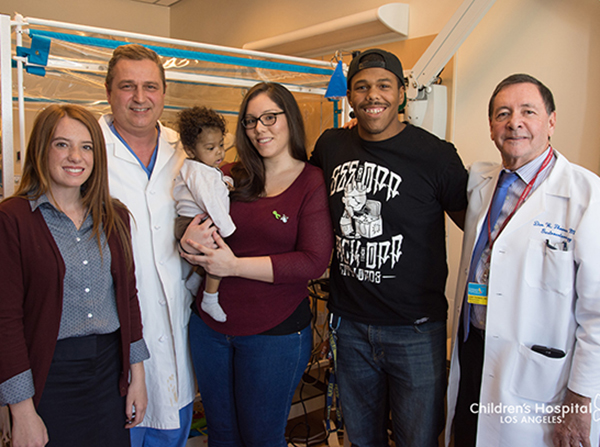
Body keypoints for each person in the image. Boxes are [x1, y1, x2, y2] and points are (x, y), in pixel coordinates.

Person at [310, 48, 468, 446]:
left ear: (401, 93)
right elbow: (300, 202)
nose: (372, 96)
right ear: (350, 96)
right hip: (350, 326)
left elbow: (478, 228)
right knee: (361, 439)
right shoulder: (330, 147)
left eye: (383, 85)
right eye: (361, 87)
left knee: (417, 439)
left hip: (415, 330)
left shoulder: (436, 155)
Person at [445, 74, 600, 447]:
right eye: (503, 113)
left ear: (551, 121)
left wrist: (580, 400)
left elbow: (597, 314)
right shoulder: (482, 180)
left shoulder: (585, 195)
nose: (514, 122)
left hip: (541, 376)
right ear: (491, 127)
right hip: (474, 352)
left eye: (527, 111)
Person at [180, 82, 333, 446]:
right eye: (250, 121)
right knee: (222, 435)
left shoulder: (311, 181)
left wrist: (234, 266)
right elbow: (187, 212)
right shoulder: (229, 173)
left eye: (269, 118)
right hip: (209, 330)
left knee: (261, 439)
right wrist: (184, 234)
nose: (259, 129)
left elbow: (313, 262)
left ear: (289, 119)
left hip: (273, 335)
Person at [0, 104, 148, 447]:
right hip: (48, 376)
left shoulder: (114, 217)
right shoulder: (13, 219)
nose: (75, 157)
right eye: (61, 144)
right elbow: (6, 320)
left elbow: (128, 299)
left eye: (86, 146)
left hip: (110, 376)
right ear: (41, 148)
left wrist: (137, 377)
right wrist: (22, 412)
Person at [101, 44, 206, 446]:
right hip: (111, 335)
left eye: (150, 87)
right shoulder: (86, 150)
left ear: (164, 92)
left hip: (176, 329)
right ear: (109, 91)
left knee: (173, 428)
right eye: (127, 86)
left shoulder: (186, 152)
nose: (140, 98)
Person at [173, 106, 235, 322]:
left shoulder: (202, 168)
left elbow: (213, 182)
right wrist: (227, 229)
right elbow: (209, 200)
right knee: (218, 258)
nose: (219, 152)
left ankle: (195, 279)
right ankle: (210, 298)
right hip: (194, 223)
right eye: (210, 148)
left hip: (194, 222)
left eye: (221, 145)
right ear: (191, 150)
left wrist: (224, 182)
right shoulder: (198, 173)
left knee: (210, 257)